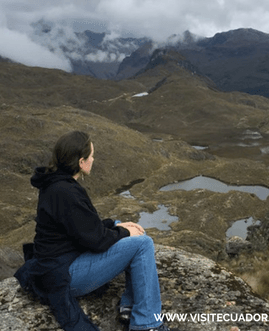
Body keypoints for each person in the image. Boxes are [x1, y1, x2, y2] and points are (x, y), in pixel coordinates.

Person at [15, 131, 174, 331]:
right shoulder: (66, 192)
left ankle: (130, 306)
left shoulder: (55, 184)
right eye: (91, 156)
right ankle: (147, 324)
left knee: (120, 225)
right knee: (143, 244)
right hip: (66, 275)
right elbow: (96, 241)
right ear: (81, 162)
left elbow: (82, 227)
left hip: (59, 263)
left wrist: (118, 226)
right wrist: (125, 233)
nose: (93, 159)